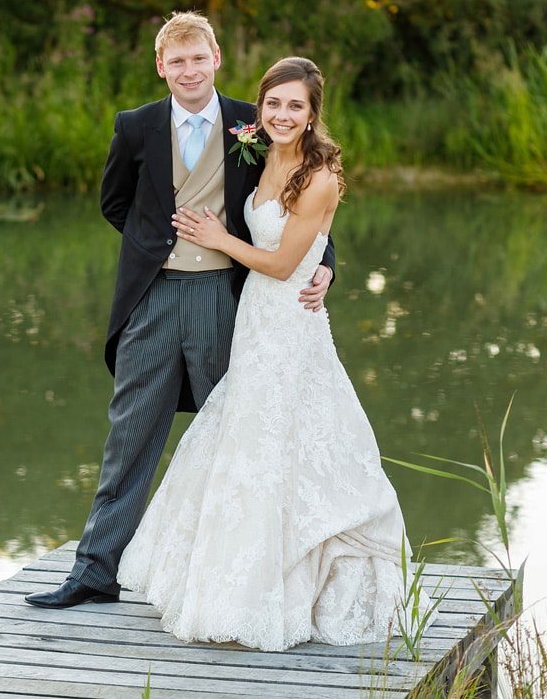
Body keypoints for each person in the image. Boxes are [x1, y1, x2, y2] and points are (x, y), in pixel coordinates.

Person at [24, 14, 336, 610]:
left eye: (199, 59)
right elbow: (115, 203)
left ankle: (238, 576)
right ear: (161, 67)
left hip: (229, 300)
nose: (189, 71)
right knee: (131, 437)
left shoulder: (257, 119)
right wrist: (158, 247)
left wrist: (327, 265)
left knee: (240, 435)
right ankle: (94, 571)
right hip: (154, 300)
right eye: (177, 62)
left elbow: (302, 202)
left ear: (216, 58)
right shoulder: (136, 127)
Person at [116, 56, 415, 651]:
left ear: (312, 114)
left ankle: (292, 588)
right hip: (253, 321)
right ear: (261, 107)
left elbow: (283, 263)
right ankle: (224, 582)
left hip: (289, 322)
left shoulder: (320, 173)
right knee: (249, 441)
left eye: (294, 106)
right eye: (273, 103)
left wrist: (228, 241)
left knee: (291, 437)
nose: (281, 115)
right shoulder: (252, 148)